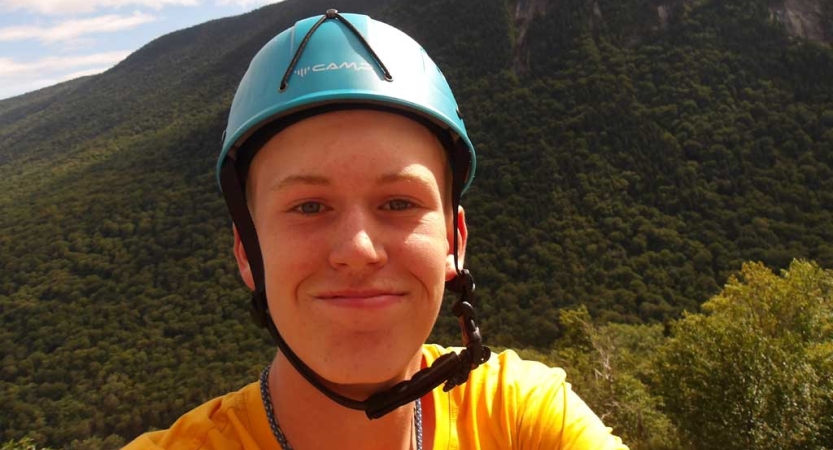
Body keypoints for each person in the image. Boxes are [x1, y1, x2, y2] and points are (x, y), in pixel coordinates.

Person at [124, 9, 628, 450]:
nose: (358, 250)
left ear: (454, 241)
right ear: (246, 252)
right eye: (309, 206)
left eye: (398, 202)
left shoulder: (522, 417)